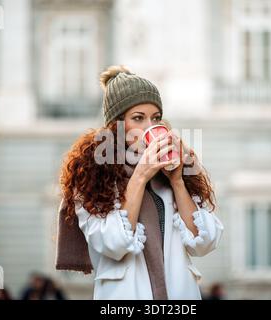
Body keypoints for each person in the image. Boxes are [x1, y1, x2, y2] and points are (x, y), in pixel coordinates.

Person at [57, 65, 224, 300]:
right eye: (138, 118)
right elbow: (113, 243)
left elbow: (205, 242)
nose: (150, 126)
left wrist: (177, 182)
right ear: (117, 126)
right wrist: (140, 176)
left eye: (156, 118)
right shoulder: (93, 178)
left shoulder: (174, 171)